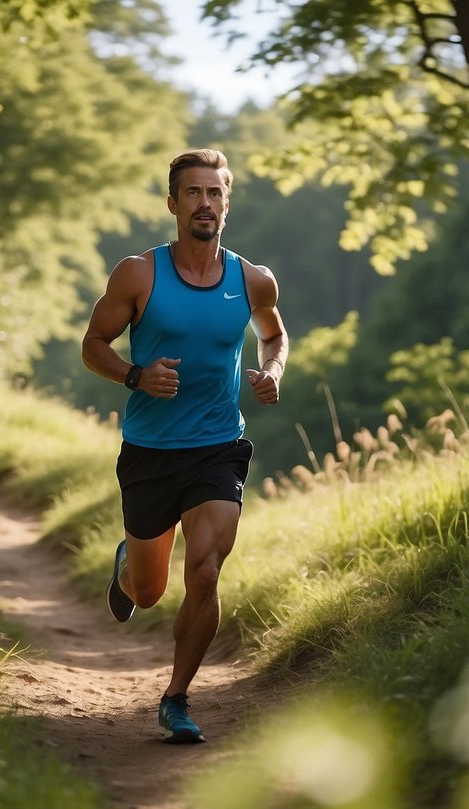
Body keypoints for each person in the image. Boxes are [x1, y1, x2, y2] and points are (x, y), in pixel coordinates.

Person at [80, 148, 288, 744]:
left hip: (218, 447)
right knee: (149, 594)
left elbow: (274, 335)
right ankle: (129, 568)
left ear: (227, 202)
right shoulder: (139, 274)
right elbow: (93, 343)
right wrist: (134, 376)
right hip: (149, 449)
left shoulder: (253, 280)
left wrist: (272, 370)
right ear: (174, 204)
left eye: (215, 193)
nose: (205, 203)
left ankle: (175, 698)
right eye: (192, 193)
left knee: (205, 569)